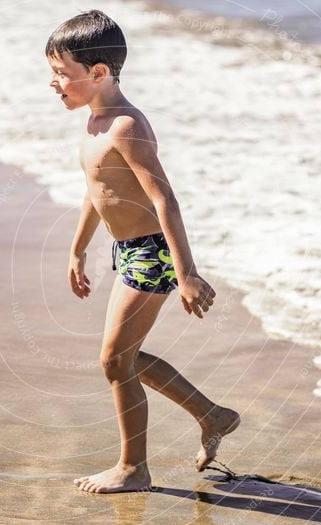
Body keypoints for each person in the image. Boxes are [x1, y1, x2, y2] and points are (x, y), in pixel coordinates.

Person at [46, 9, 240, 494]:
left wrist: (187, 273)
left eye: (61, 75)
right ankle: (212, 414)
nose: (54, 84)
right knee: (122, 357)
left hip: (153, 253)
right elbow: (97, 193)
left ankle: (134, 468)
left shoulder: (125, 126)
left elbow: (163, 198)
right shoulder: (94, 124)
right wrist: (78, 250)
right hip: (128, 251)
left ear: (98, 73)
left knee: (115, 361)